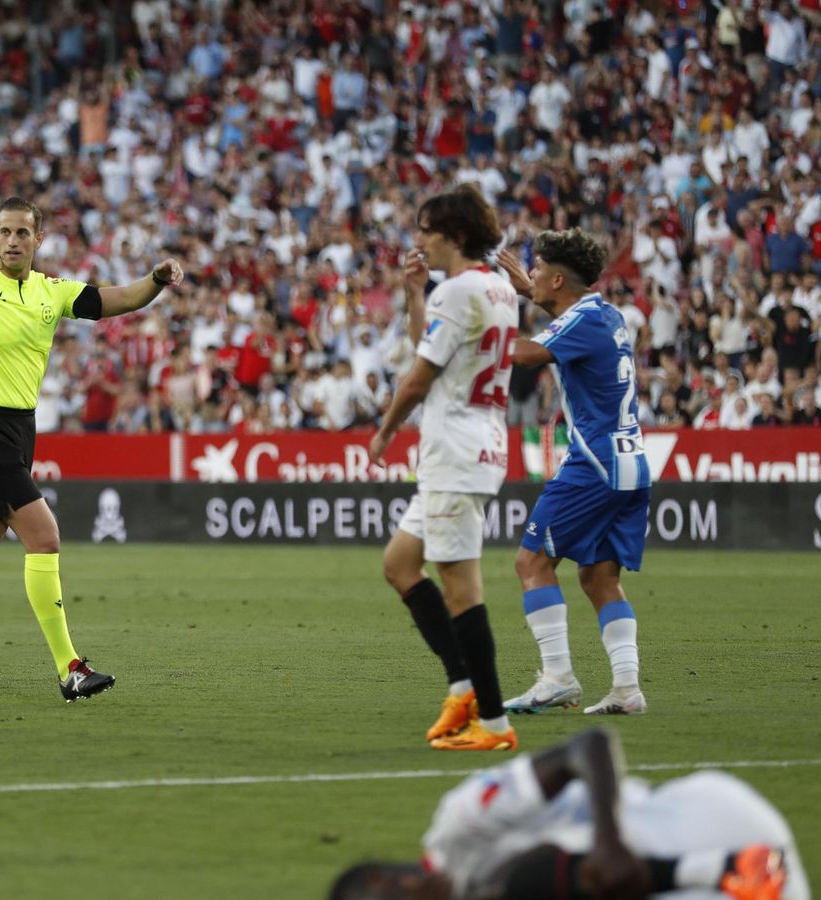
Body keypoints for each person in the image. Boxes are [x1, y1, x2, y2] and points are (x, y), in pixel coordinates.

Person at [0, 195, 184, 705]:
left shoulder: (53, 293)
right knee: (44, 536)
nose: (12, 241)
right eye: (4, 232)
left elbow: (118, 300)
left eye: (22, 233)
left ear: (38, 239)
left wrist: (156, 280)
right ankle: (70, 668)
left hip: (20, 432)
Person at [369, 185, 519, 751]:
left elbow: (418, 377)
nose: (421, 237)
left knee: (462, 589)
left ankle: (496, 723)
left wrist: (385, 429)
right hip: (471, 445)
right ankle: (462, 689)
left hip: (456, 450)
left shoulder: (458, 291)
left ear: (455, 234)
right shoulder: (495, 289)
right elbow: (429, 348)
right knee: (401, 564)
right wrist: (414, 295)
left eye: (428, 228)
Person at [327, 728, 805, 900]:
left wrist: (609, 838)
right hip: (724, 881)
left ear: (395, 884)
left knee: (506, 885)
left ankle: (725, 867)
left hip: (703, 827)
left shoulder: (460, 826)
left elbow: (588, 745)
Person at [495, 231, 651, 717]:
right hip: (631, 463)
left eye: (538, 269)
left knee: (531, 563)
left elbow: (523, 355)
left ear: (559, 278)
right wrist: (530, 291)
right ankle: (627, 688)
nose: (532, 274)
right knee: (599, 576)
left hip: (594, 464)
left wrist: (473, 325)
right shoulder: (606, 315)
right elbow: (567, 323)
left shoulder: (580, 321)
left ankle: (557, 676)